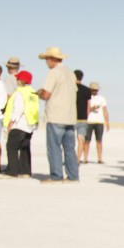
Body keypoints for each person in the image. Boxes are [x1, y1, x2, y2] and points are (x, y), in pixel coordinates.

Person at [36, 46, 79, 183]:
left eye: (47, 59)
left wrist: (39, 94)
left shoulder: (54, 72)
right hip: (70, 115)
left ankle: (56, 176)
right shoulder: (70, 72)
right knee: (69, 148)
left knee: (54, 147)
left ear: (52, 59)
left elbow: (46, 93)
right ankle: (73, 176)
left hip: (56, 115)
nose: (46, 61)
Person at [0, 70, 37, 178]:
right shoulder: (32, 93)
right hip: (30, 124)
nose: (16, 80)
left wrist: (11, 121)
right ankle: (25, 171)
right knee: (25, 148)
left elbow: (18, 108)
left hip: (19, 124)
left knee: (12, 146)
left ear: (22, 80)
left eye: (18, 78)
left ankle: (12, 171)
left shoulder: (20, 92)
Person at [83, 81, 109, 163]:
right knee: (87, 140)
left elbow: (105, 110)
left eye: (96, 90)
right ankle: (85, 158)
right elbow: (84, 111)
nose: (95, 91)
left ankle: (99, 158)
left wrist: (107, 122)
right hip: (89, 121)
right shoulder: (87, 98)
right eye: (93, 90)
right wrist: (91, 109)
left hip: (99, 122)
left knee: (99, 140)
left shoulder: (101, 98)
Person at [73, 69, 91, 164]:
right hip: (83, 118)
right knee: (81, 139)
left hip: (71, 117)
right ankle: (77, 158)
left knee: (70, 140)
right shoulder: (87, 90)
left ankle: (71, 158)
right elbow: (88, 104)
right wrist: (87, 116)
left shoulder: (71, 89)